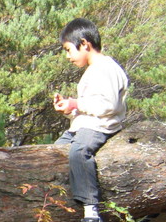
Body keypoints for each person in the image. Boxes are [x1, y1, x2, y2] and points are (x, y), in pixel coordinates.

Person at [52, 18, 129, 222]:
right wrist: (69, 110)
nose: (68, 57)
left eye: (69, 50)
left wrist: (76, 103)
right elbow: (87, 109)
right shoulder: (92, 71)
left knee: (79, 152)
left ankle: (91, 210)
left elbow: (109, 106)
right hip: (84, 126)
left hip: (100, 127)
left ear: (84, 44)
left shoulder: (106, 68)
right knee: (52, 153)